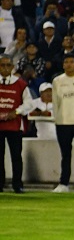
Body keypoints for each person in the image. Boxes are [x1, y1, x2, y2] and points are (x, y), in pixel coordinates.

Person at [0, 55, 33, 192]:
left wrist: (17, 112)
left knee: (16, 156)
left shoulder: (21, 84)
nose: (5, 68)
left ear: (13, 67)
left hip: (15, 125)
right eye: (2, 65)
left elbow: (29, 104)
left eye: (8, 65)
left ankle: (17, 184)